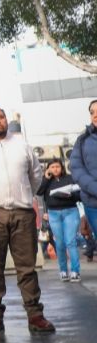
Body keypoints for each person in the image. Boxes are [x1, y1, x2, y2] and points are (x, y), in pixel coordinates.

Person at [0, 105, 54, 334]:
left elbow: (35, 175)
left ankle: (35, 314)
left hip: (22, 213)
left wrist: (25, 194)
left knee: (27, 267)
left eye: (0, 117)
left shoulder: (22, 145)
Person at [37, 159, 81, 281]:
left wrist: (70, 194)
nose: (55, 169)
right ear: (48, 169)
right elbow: (39, 193)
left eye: (58, 166)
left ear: (62, 167)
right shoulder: (46, 181)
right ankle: (63, 270)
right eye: (52, 167)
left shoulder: (70, 178)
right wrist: (45, 178)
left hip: (70, 211)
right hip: (54, 214)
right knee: (60, 243)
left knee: (70, 241)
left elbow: (79, 195)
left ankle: (75, 271)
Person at [72, 100, 97, 248]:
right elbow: (77, 168)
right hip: (93, 203)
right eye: (92, 112)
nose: (95, 115)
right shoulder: (82, 140)